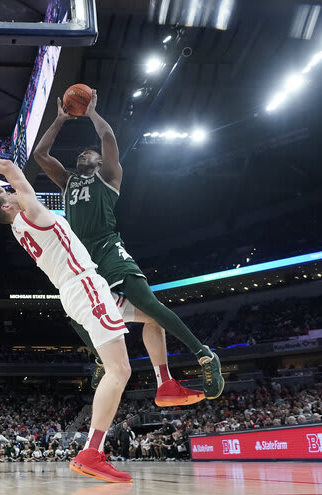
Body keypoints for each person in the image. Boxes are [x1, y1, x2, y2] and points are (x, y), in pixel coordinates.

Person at [0, 152, 132, 482]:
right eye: (10, 194)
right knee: (119, 369)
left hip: (73, 293)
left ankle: (94, 448)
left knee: (124, 354)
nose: (14, 190)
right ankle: (91, 451)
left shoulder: (17, 224)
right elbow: (11, 169)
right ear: (8, 206)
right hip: (84, 284)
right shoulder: (31, 211)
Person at [33, 90, 223, 404]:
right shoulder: (68, 182)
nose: (84, 154)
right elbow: (41, 155)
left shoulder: (109, 176)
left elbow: (107, 135)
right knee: (77, 317)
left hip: (110, 251)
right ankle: (116, 364)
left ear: (99, 161)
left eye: (89, 153)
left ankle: (204, 356)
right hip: (85, 263)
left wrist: (92, 112)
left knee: (150, 307)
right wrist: (59, 120)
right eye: (81, 153)